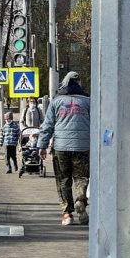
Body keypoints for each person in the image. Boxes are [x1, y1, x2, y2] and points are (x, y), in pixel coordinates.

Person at [38, 71, 91, 226]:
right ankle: (80, 199)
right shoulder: (88, 101)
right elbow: (96, 125)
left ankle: (67, 214)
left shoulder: (56, 102)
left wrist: (42, 145)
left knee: (63, 180)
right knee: (81, 178)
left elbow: (47, 126)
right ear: (79, 83)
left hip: (61, 147)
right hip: (82, 146)